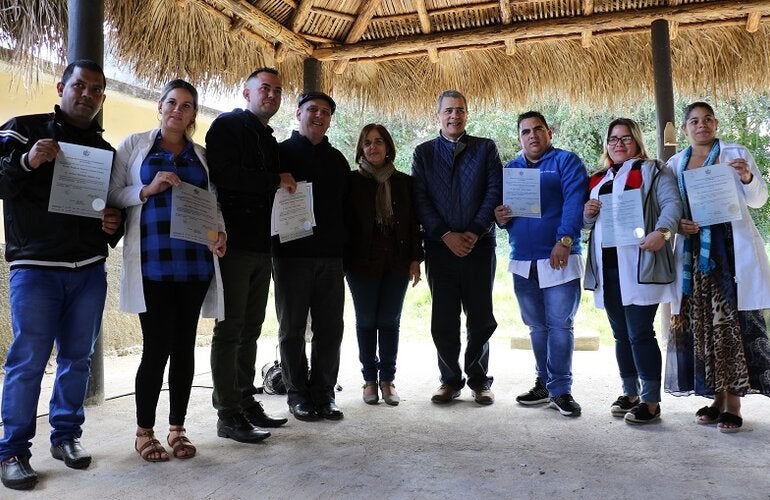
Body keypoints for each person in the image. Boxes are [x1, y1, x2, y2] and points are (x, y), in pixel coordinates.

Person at [0, 60, 123, 491]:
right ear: (62, 87)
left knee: (78, 358)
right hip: (35, 268)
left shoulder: (106, 153)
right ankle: (12, 450)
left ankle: (66, 437)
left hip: (88, 269)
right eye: (79, 85)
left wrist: (114, 223)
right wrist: (28, 161)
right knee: (28, 360)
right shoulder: (21, 129)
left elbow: (111, 207)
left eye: (96, 89)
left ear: (102, 98)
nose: (87, 94)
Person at [108, 79, 227, 461]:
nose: (179, 110)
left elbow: (213, 205)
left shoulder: (202, 156)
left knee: (184, 349)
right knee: (155, 349)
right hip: (152, 265)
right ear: (160, 106)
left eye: (187, 105)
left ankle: (178, 428)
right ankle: (145, 432)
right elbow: (114, 194)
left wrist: (219, 233)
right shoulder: (134, 146)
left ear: (194, 114)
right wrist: (147, 190)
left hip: (194, 264)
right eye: (172, 102)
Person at [664, 102, 770, 433]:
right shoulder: (674, 163)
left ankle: (733, 402)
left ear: (716, 124)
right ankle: (715, 398)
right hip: (694, 254)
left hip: (730, 252)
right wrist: (679, 224)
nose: (701, 125)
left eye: (707, 119)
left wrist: (747, 176)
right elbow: (671, 209)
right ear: (685, 129)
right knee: (703, 326)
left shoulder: (735, 153)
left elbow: (758, 199)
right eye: (694, 121)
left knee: (730, 325)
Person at [205, 67, 293, 442]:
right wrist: (273, 180)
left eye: (276, 90)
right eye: (264, 89)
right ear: (246, 92)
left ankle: (244, 400)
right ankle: (227, 413)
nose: (271, 95)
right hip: (233, 244)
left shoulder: (269, 139)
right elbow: (224, 177)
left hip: (262, 247)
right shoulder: (226, 127)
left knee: (252, 329)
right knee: (230, 330)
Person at [583, 117, 682, 424]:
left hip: (641, 262)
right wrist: (586, 214)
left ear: (637, 140)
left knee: (640, 332)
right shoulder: (597, 179)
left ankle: (651, 402)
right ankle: (630, 393)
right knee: (620, 335)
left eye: (626, 138)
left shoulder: (654, 170)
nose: (619, 144)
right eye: (613, 139)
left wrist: (662, 232)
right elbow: (587, 225)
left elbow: (672, 205)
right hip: (608, 267)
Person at [411, 90, 502, 405]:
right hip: (439, 247)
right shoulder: (423, 153)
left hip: (480, 245)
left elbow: (493, 191)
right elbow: (420, 199)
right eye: (448, 111)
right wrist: (445, 234)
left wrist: (475, 231)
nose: (454, 116)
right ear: (438, 116)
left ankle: (479, 381)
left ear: (467, 114)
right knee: (443, 319)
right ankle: (449, 380)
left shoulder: (485, 148)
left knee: (481, 318)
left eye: (460, 110)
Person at [495, 111, 588, 417]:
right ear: (519, 137)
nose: (532, 136)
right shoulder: (512, 168)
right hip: (523, 260)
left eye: (538, 130)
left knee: (560, 326)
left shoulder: (566, 162)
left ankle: (561, 390)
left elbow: (575, 202)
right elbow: (510, 218)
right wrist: (502, 220)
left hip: (559, 255)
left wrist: (564, 240)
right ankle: (544, 383)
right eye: (525, 132)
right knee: (536, 327)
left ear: (550, 133)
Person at [273, 92, 350, 421]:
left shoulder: (338, 161)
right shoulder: (279, 155)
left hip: (331, 259)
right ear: (298, 113)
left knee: (330, 329)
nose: (319, 116)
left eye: (325, 112)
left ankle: (324, 394)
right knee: (291, 329)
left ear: (330, 119)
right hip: (291, 257)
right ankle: (297, 394)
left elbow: (348, 211)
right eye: (312, 110)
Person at [346, 124, 423, 406]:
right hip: (360, 264)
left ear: (388, 146)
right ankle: (369, 380)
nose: (373, 147)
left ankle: (387, 380)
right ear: (361, 149)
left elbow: (415, 224)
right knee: (366, 322)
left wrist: (416, 258)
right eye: (367, 143)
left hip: (398, 263)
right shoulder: (351, 182)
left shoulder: (404, 182)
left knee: (390, 322)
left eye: (378, 142)